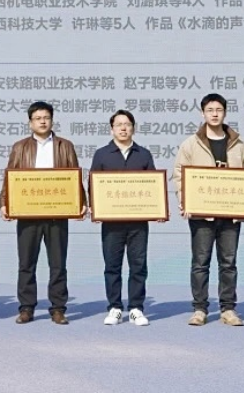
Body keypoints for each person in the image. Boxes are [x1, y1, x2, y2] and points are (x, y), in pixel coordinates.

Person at [173, 93, 244, 327]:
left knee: (228, 263)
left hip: (231, 215)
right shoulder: (191, 144)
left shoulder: (240, 145)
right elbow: (179, 175)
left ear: (225, 112)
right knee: (200, 263)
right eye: (210, 110)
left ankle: (228, 309)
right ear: (203, 113)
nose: (214, 114)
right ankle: (199, 309)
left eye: (218, 110)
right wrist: (185, 201)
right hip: (201, 215)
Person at [0, 101, 85, 325]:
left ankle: (58, 308)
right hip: (28, 214)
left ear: (52, 120)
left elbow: (75, 176)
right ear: (30, 123)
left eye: (46, 117)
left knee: (58, 264)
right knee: (26, 263)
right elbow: (10, 176)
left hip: (57, 213)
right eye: (38, 118)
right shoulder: (20, 147)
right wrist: (5, 202)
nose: (42, 122)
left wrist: (81, 202)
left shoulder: (65, 146)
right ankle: (26, 308)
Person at [90, 110, 156, 326]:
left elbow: (153, 186)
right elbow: (93, 185)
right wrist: (95, 208)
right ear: (112, 129)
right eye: (118, 124)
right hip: (111, 223)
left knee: (138, 265)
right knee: (112, 265)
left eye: (127, 124)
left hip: (138, 223)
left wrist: (157, 209)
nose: (123, 128)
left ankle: (136, 308)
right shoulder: (102, 154)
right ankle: (115, 308)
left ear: (133, 128)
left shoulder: (143, 154)